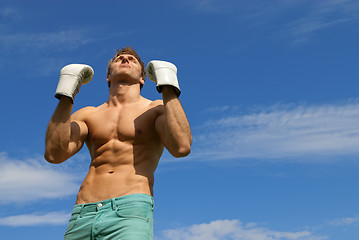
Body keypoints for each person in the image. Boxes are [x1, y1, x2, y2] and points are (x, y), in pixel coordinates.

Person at [44, 46, 192, 240]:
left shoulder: (155, 109)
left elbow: (181, 146)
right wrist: (67, 94)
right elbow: (54, 154)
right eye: (119, 58)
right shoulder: (88, 114)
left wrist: (168, 86)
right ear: (108, 76)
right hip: (83, 213)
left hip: (129, 211)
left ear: (142, 77)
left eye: (131, 59)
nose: (125, 59)